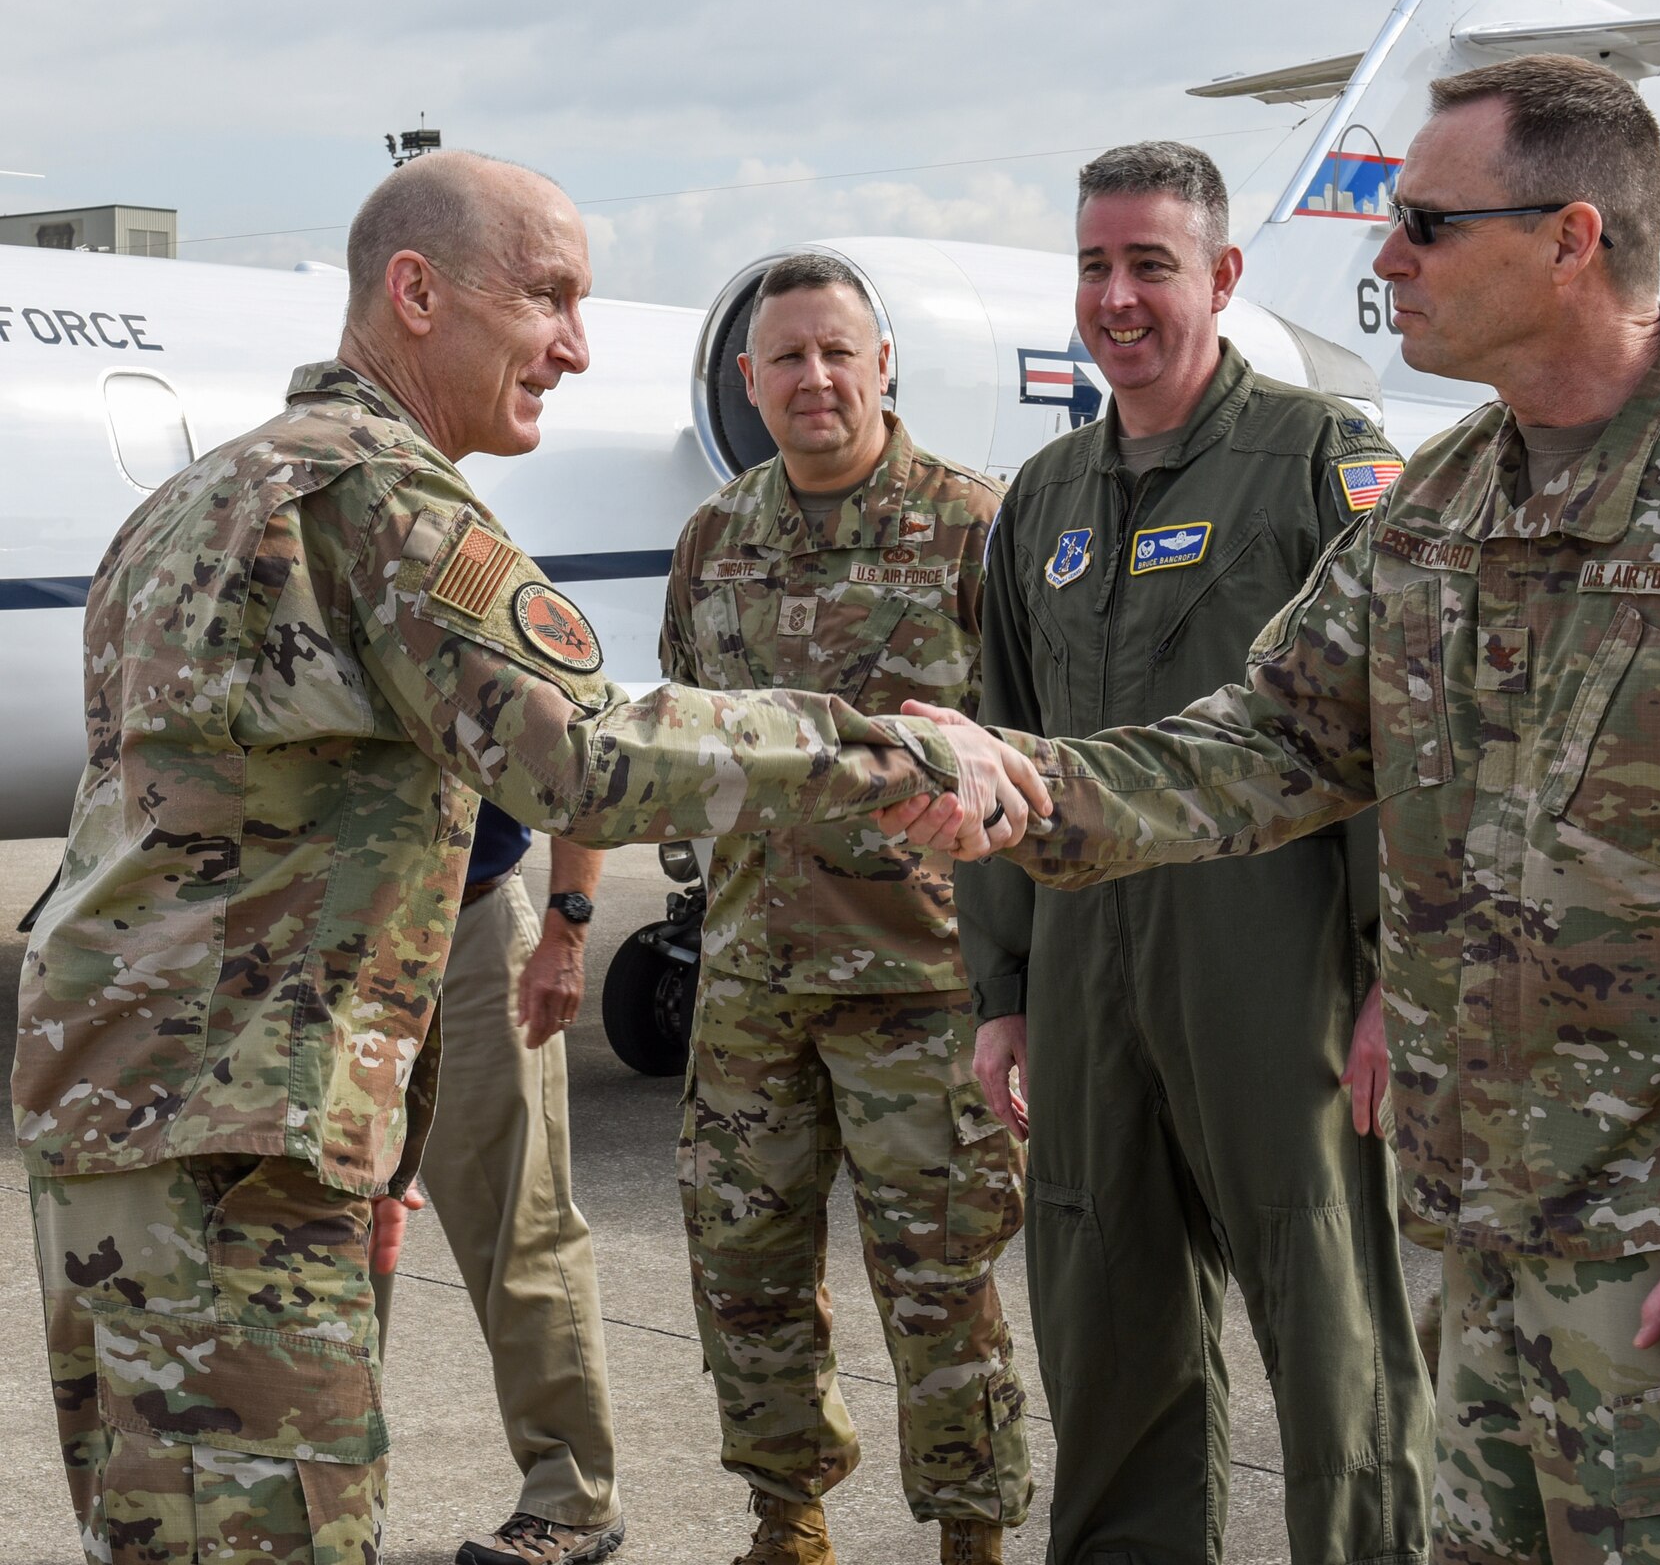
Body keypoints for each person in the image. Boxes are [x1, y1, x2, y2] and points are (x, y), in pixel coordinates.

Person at [892, 56, 1660, 1565]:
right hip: (1484, 1283)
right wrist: (1024, 791)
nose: (1385, 256)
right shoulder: (1447, 504)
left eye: (1424, 221)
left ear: (1570, 239)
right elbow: (1263, 742)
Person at [13, 150, 1046, 1565]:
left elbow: (232, 842)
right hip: (239, 1159)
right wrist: (899, 750)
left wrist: (387, 1126)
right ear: (418, 292)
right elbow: (593, 754)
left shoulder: (197, 502)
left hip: (130, 1132)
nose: (574, 344)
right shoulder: (382, 505)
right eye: (548, 296)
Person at [955, 141, 1433, 1565]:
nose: (1118, 297)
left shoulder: (1321, 463)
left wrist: (1395, 978)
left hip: (1274, 963)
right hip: (1089, 972)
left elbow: (1407, 736)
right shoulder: (1040, 500)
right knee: (1103, 1327)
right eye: (1096, 265)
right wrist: (1004, 988)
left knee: (1331, 1333)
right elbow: (1005, 745)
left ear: (1221, 277)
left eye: (1150, 264)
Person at [663, 253, 1031, 1565]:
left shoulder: (978, 530)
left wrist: (1027, 989)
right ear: (751, 383)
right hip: (754, 990)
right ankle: (787, 1525)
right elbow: (683, 730)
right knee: (745, 1285)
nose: (814, 379)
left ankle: (975, 1541)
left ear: (884, 365)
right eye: (787, 359)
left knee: (944, 1297)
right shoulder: (715, 542)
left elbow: (1047, 760)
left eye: (838, 352)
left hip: (926, 994)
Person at [371, 805, 626, 1565]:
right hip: (309, 939)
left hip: (468, 925)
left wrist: (567, 927)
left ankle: (571, 1496)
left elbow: (585, 763)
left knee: (518, 1221)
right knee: (324, 1228)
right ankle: (321, 1497)